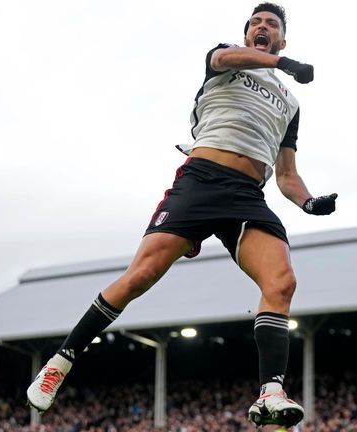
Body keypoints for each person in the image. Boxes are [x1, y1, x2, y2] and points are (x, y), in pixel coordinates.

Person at [26, 2, 337, 428]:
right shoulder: (227, 58)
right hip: (201, 180)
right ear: (248, 35)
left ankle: (271, 391)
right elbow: (225, 57)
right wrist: (283, 62)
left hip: (247, 194)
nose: (263, 27)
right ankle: (60, 362)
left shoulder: (291, 103)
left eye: (273, 25)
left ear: (284, 36)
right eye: (257, 23)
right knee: (141, 275)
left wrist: (308, 202)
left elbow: (286, 174)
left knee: (282, 281)